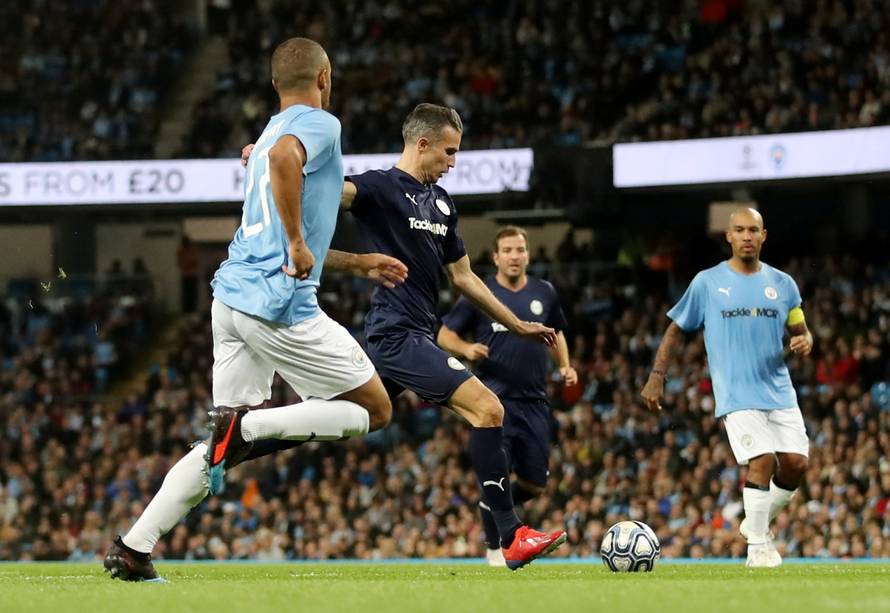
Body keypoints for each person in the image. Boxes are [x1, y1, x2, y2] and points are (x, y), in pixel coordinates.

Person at [103, 37, 407, 582]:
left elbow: (285, 211)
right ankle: (245, 426)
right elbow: (286, 169)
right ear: (324, 78)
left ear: (273, 84)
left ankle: (133, 548)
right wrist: (297, 243)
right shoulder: (317, 126)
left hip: (231, 299)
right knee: (375, 409)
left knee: (222, 450)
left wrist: (356, 262)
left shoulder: (266, 133)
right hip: (277, 305)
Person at [336, 104, 567, 570]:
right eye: (449, 152)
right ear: (422, 144)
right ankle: (511, 536)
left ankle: (246, 437)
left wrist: (517, 324)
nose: (453, 162)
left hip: (416, 333)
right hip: (395, 333)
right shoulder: (378, 187)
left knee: (341, 416)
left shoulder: (441, 202)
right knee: (488, 408)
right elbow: (325, 190)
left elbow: (463, 277)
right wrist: (274, 160)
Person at [640, 207, 813, 568]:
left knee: (796, 464)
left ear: (764, 236)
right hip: (736, 391)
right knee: (762, 460)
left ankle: (755, 522)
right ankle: (758, 549)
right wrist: (658, 375)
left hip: (779, 389)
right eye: (740, 230)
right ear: (729, 236)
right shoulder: (707, 282)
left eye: (753, 230)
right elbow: (675, 329)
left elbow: (800, 328)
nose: (747, 236)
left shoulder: (783, 284)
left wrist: (804, 340)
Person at [437, 225, 578, 566]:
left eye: (520, 250)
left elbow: (556, 332)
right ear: (496, 257)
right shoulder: (481, 293)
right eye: (508, 251)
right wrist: (466, 349)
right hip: (494, 403)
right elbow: (444, 334)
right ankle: (496, 545)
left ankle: (490, 504)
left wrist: (565, 365)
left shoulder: (544, 292)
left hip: (535, 401)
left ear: (528, 255)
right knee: (498, 472)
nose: (515, 256)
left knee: (536, 484)